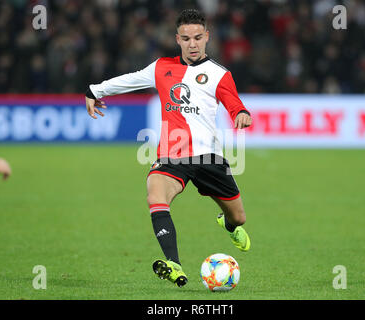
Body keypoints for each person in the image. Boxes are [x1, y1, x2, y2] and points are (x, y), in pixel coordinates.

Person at [85, 9, 252, 288]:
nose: (193, 44)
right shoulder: (162, 67)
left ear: (207, 37)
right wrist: (96, 90)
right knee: (155, 194)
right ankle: (173, 263)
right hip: (172, 154)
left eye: (198, 37)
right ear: (177, 39)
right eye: (186, 38)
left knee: (239, 217)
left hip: (209, 157)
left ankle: (229, 225)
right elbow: (131, 79)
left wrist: (241, 114)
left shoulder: (219, 74)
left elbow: (234, 102)